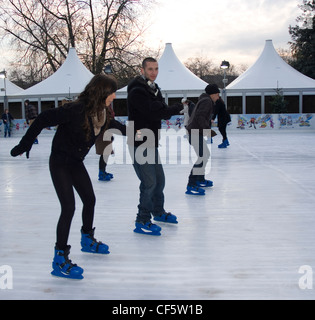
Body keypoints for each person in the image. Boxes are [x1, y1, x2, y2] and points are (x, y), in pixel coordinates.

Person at [11, 74, 125, 280]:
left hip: (75, 162)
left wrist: (139, 135)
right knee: (69, 208)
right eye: (112, 92)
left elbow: (116, 125)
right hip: (60, 163)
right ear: (101, 93)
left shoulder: (102, 114)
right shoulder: (76, 109)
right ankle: (60, 258)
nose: (115, 96)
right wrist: (25, 143)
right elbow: (44, 118)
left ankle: (87, 239)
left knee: (90, 199)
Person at [127, 57, 183, 236]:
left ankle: (157, 212)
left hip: (150, 141)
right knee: (149, 182)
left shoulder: (154, 89)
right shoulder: (137, 90)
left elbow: (160, 109)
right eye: (150, 69)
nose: (153, 72)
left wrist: (163, 108)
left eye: (156, 69)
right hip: (138, 141)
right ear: (142, 70)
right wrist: (173, 109)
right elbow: (156, 111)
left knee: (159, 180)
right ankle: (142, 219)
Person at [185, 84, 220, 196]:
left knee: (205, 155)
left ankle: (200, 179)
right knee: (202, 156)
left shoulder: (204, 100)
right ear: (213, 94)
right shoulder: (207, 101)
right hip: (195, 132)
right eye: (217, 94)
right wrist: (207, 130)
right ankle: (191, 184)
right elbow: (200, 117)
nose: (218, 97)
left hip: (195, 132)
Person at [95, 103, 115, 181]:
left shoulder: (107, 106)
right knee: (105, 153)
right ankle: (101, 173)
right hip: (103, 133)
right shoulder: (101, 106)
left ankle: (103, 171)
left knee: (106, 154)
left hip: (107, 132)